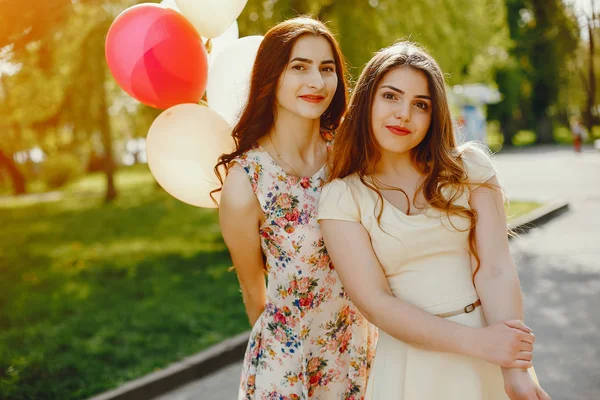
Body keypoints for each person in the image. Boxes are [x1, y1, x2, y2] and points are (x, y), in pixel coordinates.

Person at [318, 42, 550, 400]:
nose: (403, 115)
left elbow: (496, 270)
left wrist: (514, 370)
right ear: (367, 101)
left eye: (420, 105)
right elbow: (375, 302)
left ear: (434, 114)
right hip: (412, 363)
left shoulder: (469, 169)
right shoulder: (342, 196)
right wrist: (479, 344)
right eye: (391, 97)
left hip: (491, 349)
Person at [213, 17, 377, 399]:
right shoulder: (246, 183)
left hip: (361, 351)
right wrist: (288, 356)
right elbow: (254, 294)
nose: (316, 83)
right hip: (290, 366)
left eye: (327, 69)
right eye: (299, 67)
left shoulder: (350, 155)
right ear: (272, 76)